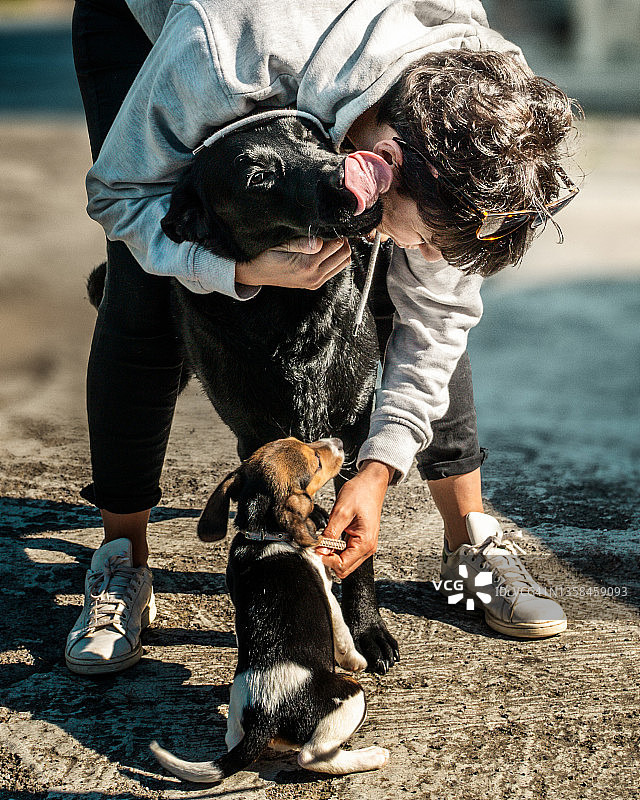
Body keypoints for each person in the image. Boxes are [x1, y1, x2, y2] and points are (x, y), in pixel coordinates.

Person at [66, 0, 578, 675]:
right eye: (416, 229)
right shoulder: (221, 53)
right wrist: (232, 268)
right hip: (164, 31)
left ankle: (469, 544)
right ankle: (122, 562)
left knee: (409, 289)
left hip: (334, 77)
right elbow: (120, 194)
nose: (413, 247)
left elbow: (437, 317)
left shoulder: (490, 95)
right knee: (145, 284)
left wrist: (377, 467)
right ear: (382, 157)